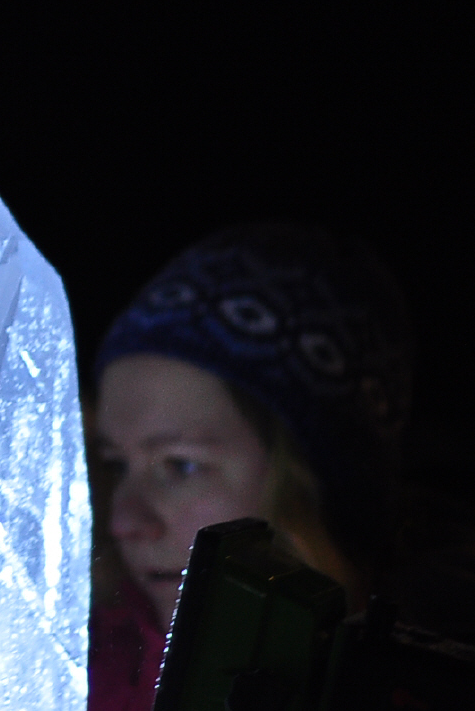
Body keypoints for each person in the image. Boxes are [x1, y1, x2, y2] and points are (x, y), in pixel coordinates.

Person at [86, 225, 414, 711]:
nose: (124, 522)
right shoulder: (66, 664)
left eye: (181, 465)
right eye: (117, 464)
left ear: (307, 483)